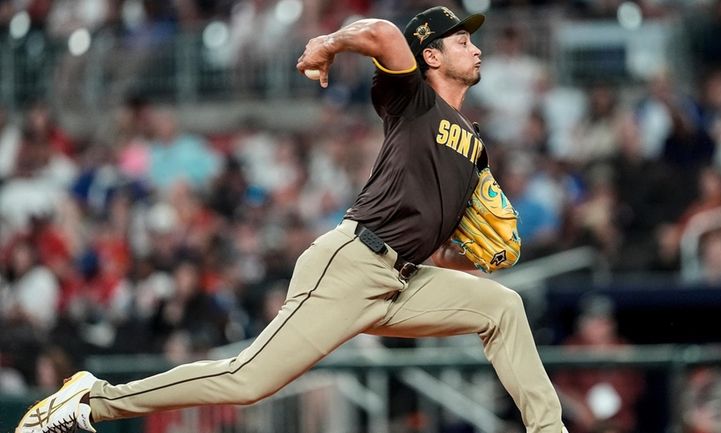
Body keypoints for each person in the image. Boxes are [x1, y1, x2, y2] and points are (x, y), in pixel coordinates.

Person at [16, 6, 564, 433]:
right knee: (247, 380)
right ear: (433, 57)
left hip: (405, 276)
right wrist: (328, 43)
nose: (477, 48)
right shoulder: (413, 100)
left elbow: (437, 240)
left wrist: (470, 258)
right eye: (462, 40)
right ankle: (92, 400)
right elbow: (382, 34)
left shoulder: (473, 145)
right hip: (353, 263)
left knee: (502, 305)